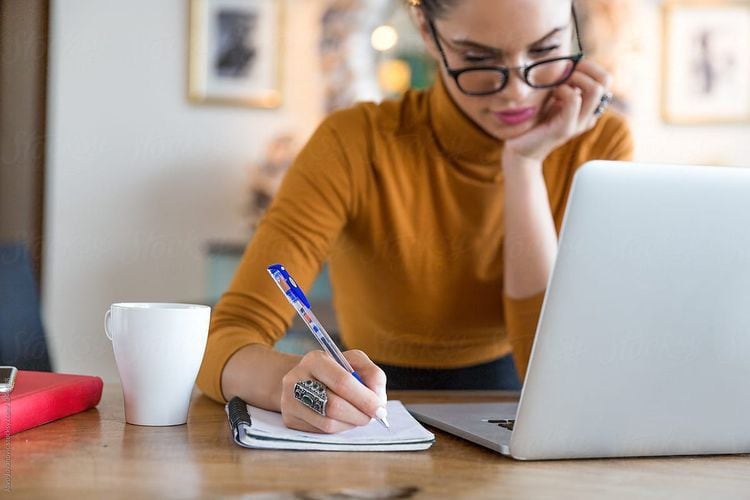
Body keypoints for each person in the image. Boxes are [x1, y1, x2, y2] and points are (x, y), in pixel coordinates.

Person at [196, 0, 633, 434]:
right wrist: (288, 385)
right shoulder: (355, 143)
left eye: (545, 50)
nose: (517, 90)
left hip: (527, 423)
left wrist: (523, 166)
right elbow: (223, 339)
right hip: (365, 413)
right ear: (426, 29)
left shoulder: (598, 148)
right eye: (479, 58)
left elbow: (552, 373)